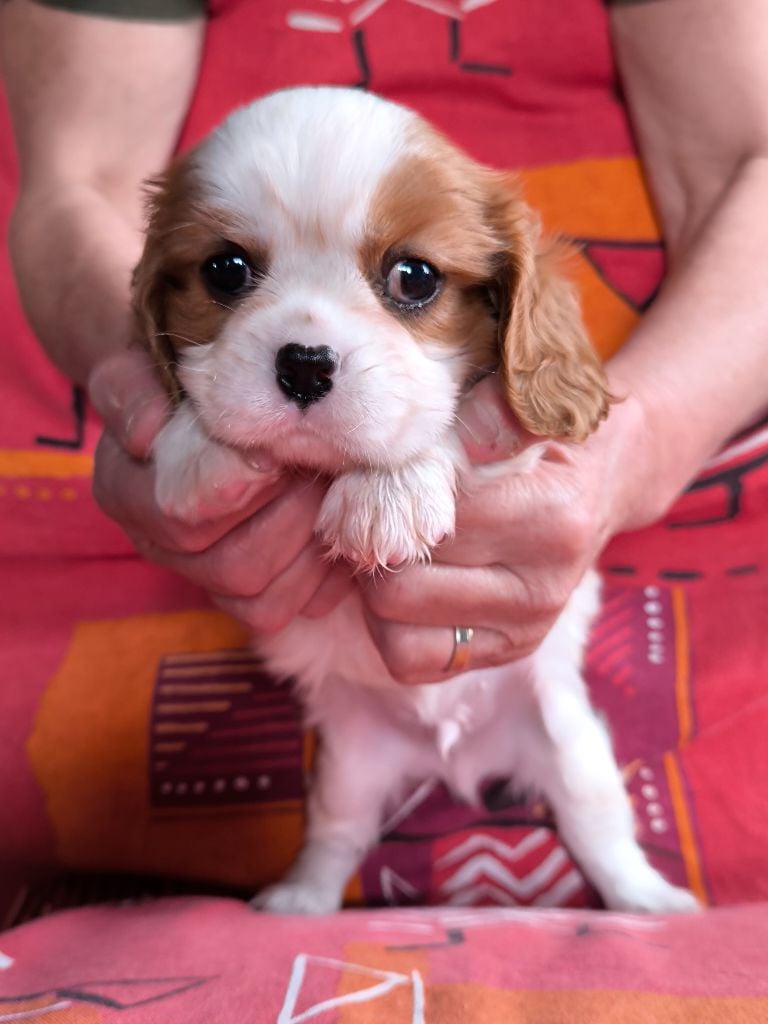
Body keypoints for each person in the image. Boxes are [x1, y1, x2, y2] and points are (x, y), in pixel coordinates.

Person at [2, 0, 767, 690]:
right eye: (230, 273)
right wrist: (140, 388)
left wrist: (636, 443)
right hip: (143, 610)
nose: (310, 345)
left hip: (673, 567)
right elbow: (80, 181)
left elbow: (751, 163)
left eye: (412, 280)